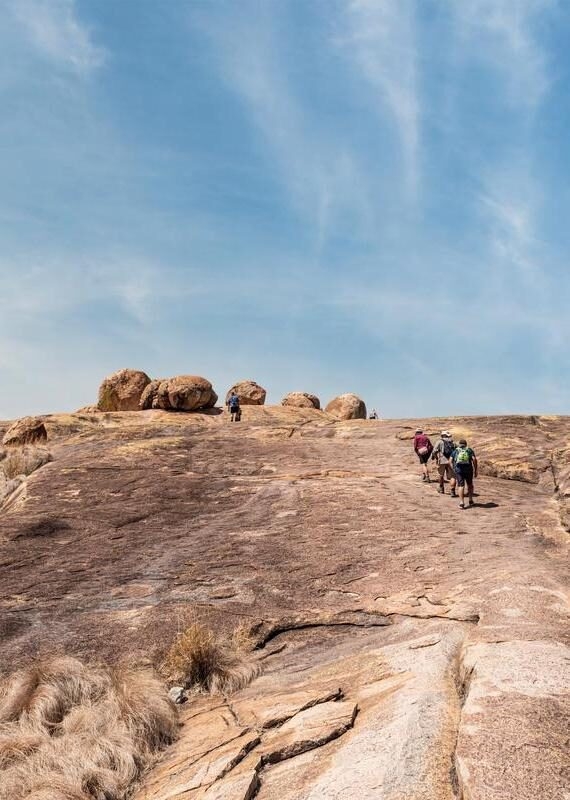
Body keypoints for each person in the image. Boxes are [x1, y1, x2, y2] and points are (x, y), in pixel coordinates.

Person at [451, 438, 478, 509]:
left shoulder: (456, 450)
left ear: (459, 444)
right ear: (466, 444)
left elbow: (450, 460)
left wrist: (453, 468)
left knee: (461, 485)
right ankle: (470, 500)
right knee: (470, 484)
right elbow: (474, 459)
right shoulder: (469, 450)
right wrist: (475, 470)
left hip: (459, 470)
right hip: (468, 470)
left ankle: (461, 502)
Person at [431, 430, 457, 496]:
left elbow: (434, 451)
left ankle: (441, 488)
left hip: (441, 460)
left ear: (442, 435)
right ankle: (452, 491)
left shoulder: (439, 442)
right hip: (451, 461)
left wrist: (436, 458)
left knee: (441, 475)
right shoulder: (453, 442)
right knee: (453, 476)